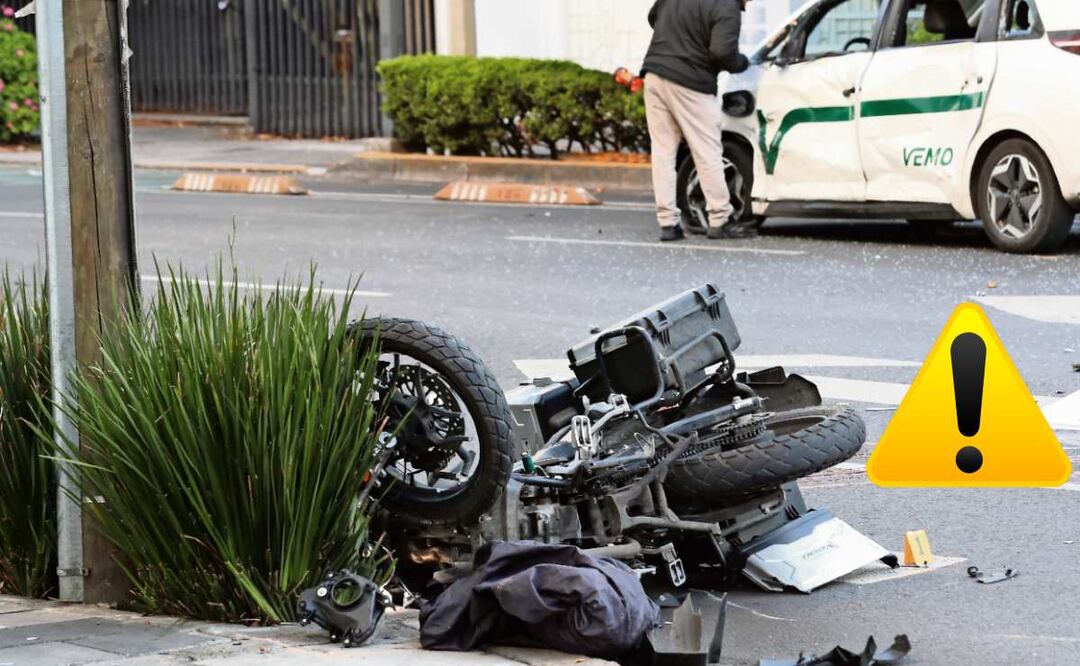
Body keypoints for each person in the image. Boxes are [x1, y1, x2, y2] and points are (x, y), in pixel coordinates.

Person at [643, 0, 753, 242]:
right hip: (691, 81)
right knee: (707, 150)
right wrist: (744, 63)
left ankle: (668, 223)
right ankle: (720, 220)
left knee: (663, 151)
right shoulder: (727, 7)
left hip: (654, 74)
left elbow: (654, 17)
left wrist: (678, 39)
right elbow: (723, 52)